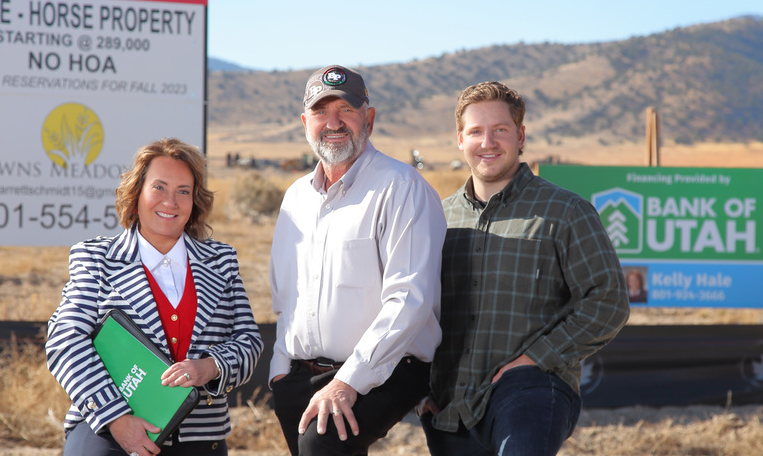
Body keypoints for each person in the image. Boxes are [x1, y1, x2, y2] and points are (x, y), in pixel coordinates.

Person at [420, 81, 630, 456]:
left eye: (500, 130)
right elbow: (416, 305)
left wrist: (533, 360)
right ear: (460, 140)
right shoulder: (437, 217)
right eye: (476, 132)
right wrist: (420, 388)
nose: (488, 142)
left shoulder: (566, 211)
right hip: (450, 404)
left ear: (520, 136)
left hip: (533, 389)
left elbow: (608, 301)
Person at [268, 65, 447, 456]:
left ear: (369, 117)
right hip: (298, 374)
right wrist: (280, 372)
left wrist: (348, 381)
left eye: (345, 110)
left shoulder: (401, 188)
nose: (332, 123)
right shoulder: (296, 198)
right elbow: (285, 293)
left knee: (323, 444)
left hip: (384, 369)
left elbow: (409, 300)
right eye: (320, 112)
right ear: (305, 121)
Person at [46, 138, 263, 456]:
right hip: (108, 432)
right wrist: (117, 418)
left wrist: (210, 367)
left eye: (183, 191)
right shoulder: (96, 257)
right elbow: (65, 341)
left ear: (195, 202)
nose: (171, 201)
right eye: (159, 187)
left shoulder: (221, 260)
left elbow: (249, 342)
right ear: (136, 196)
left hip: (200, 437)